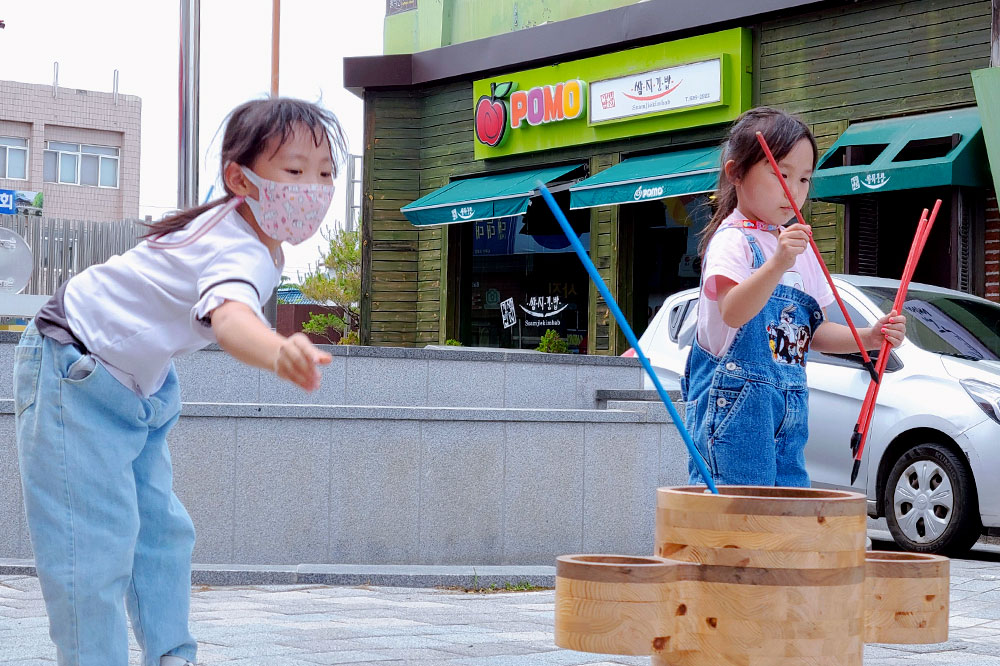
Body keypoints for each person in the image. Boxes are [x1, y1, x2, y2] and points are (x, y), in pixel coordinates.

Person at [12, 97, 347, 666]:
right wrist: (276, 350)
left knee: (162, 536)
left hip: (134, 388)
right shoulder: (235, 245)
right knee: (92, 552)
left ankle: (173, 656)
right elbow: (231, 318)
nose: (312, 188)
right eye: (293, 171)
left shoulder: (245, 232)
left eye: (325, 173)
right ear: (240, 178)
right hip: (73, 368)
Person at [683, 107, 906, 488]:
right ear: (735, 172)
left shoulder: (800, 248)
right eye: (781, 174)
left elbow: (812, 333)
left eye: (804, 178)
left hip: (790, 406)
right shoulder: (731, 239)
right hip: (737, 407)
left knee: (785, 521)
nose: (795, 190)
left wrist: (869, 337)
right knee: (739, 521)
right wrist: (777, 262)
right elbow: (733, 311)